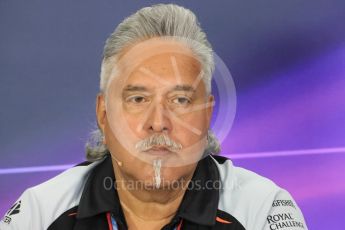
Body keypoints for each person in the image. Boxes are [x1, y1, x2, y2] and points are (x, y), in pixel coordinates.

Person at [0, 4, 308, 230]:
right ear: (104, 115)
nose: (158, 122)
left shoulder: (262, 210)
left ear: (207, 116)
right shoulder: (39, 214)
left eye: (180, 100)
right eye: (138, 98)